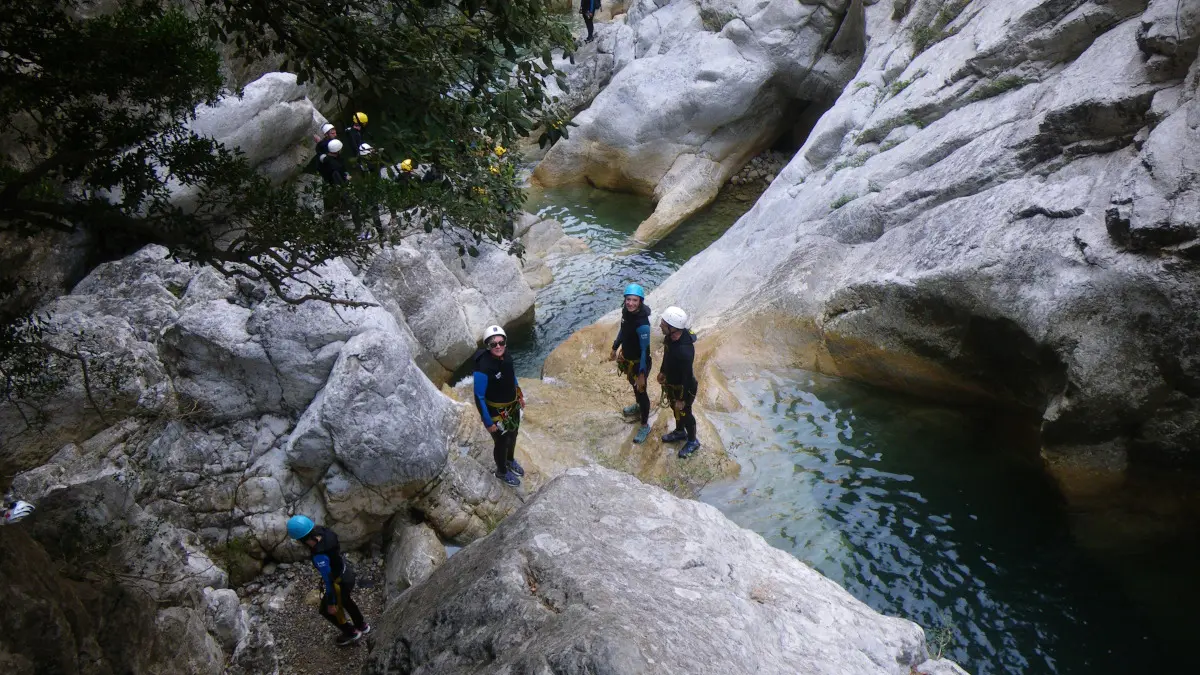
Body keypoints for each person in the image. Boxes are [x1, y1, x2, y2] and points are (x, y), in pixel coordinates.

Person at [287, 515, 370, 647]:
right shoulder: (325, 532)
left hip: (339, 582)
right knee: (346, 600)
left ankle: (351, 632)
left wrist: (331, 603)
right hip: (346, 572)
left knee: (326, 610)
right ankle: (361, 625)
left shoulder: (319, 555)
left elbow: (329, 580)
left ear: (300, 539)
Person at [473, 325, 525, 486]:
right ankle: (501, 471)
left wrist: (519, 395)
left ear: (505, 343)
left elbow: (511, 376)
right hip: (495, 411)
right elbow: (479, 396)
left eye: (501, 343)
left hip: (512, 406)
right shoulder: (483, 367)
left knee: (513, 434)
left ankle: (510, 460)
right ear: (488, 346)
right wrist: (488, 422)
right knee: (502, 442)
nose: (498, 346)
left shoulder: (506, 355)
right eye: (493, 344)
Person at [609, 283, 652, 443]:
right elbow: (623, 330)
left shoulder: (643, 323)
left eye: (634, 300)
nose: (630, 303)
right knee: (633, 385)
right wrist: (615, 347)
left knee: (641, 390)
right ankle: (638, 406)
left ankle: (645, 425)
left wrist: (641, 374)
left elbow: (644, 350)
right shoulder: (626, 312)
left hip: (640, 363)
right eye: (628, 299)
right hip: (628, 360)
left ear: (640, 301)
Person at [657, 306, 700, 458]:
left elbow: (687, 377)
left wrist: (682, 399)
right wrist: (663, 371)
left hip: (684, 387)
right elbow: (667, 355)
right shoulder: (670, 337)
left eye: (663, 324)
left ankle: (693, 441)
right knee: (674, 408)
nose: (660, 325)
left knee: (685, 413)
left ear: (673, 328)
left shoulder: (684, 351)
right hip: (672, 382)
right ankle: (680, 431)